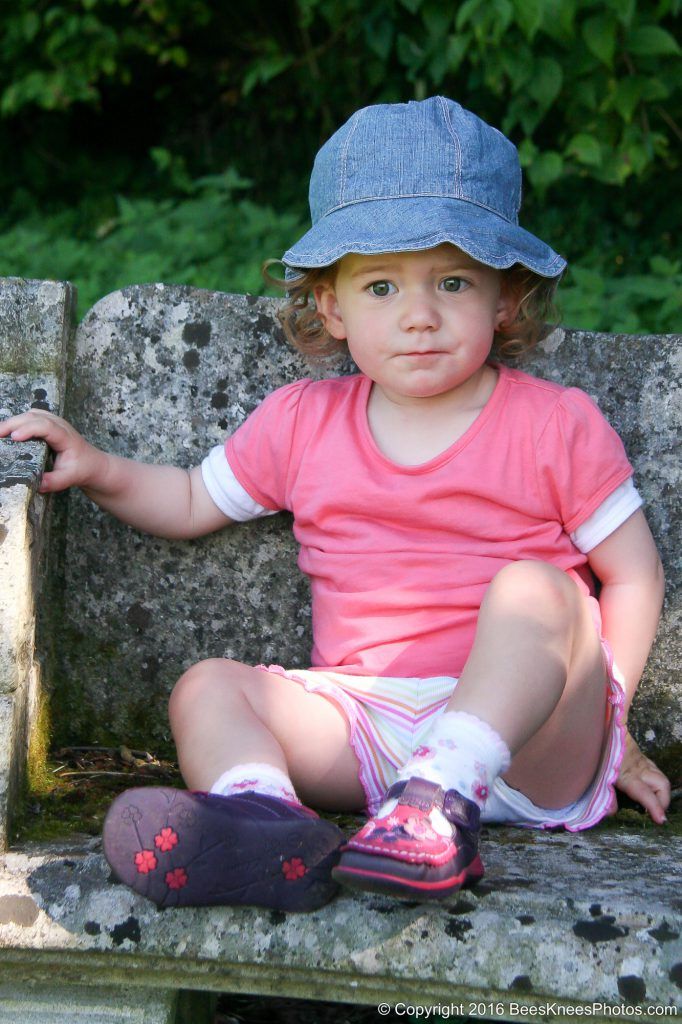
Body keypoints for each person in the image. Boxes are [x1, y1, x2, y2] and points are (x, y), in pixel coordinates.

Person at [0, 97, 669, 914]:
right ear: (331, 307)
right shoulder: (302, 426)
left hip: (529, 742)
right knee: (207, 687)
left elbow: (631, 578)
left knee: (538, 589)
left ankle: (440, 802)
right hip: (370, 731)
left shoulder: (553, 425)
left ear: (506, 297)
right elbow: (186, 498)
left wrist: (614, 716)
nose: (419, 315)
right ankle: (268, 828)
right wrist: (97, 466)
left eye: (452, 282)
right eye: (381, 285)